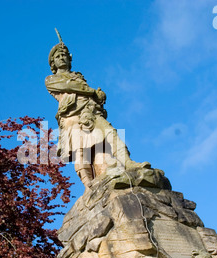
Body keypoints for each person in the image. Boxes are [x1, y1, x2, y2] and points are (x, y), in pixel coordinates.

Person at [45, 32, 149, 188]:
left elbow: (82, 89)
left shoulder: (79, 76)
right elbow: (70, 86)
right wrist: (92, 91)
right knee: (81, 151)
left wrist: (98, 96)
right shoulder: (51, 79)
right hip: (71, 117)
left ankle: (128, 163)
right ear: (53, 62)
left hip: (91, 112)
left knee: (110, 134)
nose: (62, 57)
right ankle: (89, 187)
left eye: (64, 55)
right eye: (58, 56)